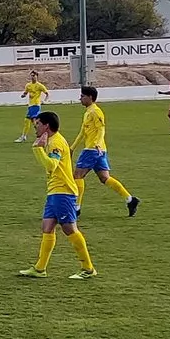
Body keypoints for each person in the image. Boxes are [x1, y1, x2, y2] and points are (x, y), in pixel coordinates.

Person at [19, 111, 96, 279]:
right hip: (54, 191)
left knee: (69, 229)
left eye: (38, 124)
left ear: (46, 126)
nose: (35, 127)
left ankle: (88, 269)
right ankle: (40, 269)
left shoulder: (55, 143)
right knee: (47, 227)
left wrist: (37, 149)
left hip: (63, 191)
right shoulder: (52, 140)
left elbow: (51, 166)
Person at [72, 86, 140, 217]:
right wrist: (72, 147)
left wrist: (97, 143)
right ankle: (130, 200)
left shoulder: (96, 112)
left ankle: (76, 208)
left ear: (90, 97)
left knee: (78, 176)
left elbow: (101, 129)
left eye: (82, 96)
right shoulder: (88, 112)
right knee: (105, 178)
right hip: (99, 150)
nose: (80, 99)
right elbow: (83, 132)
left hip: (92, 149)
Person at [16, 71, 49, 143]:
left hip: (36, 105)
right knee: (33, 122)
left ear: (37, 76)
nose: (32, 77)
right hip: (30, 106)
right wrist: (23, 95)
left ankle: (25, 136)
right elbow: (25, 93)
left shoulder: (40, 85)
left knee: (30, 121)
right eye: (31, 75)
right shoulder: (28, 85)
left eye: (34, 75)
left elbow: (47, 94)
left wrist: (44, 101)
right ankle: (43, 135)